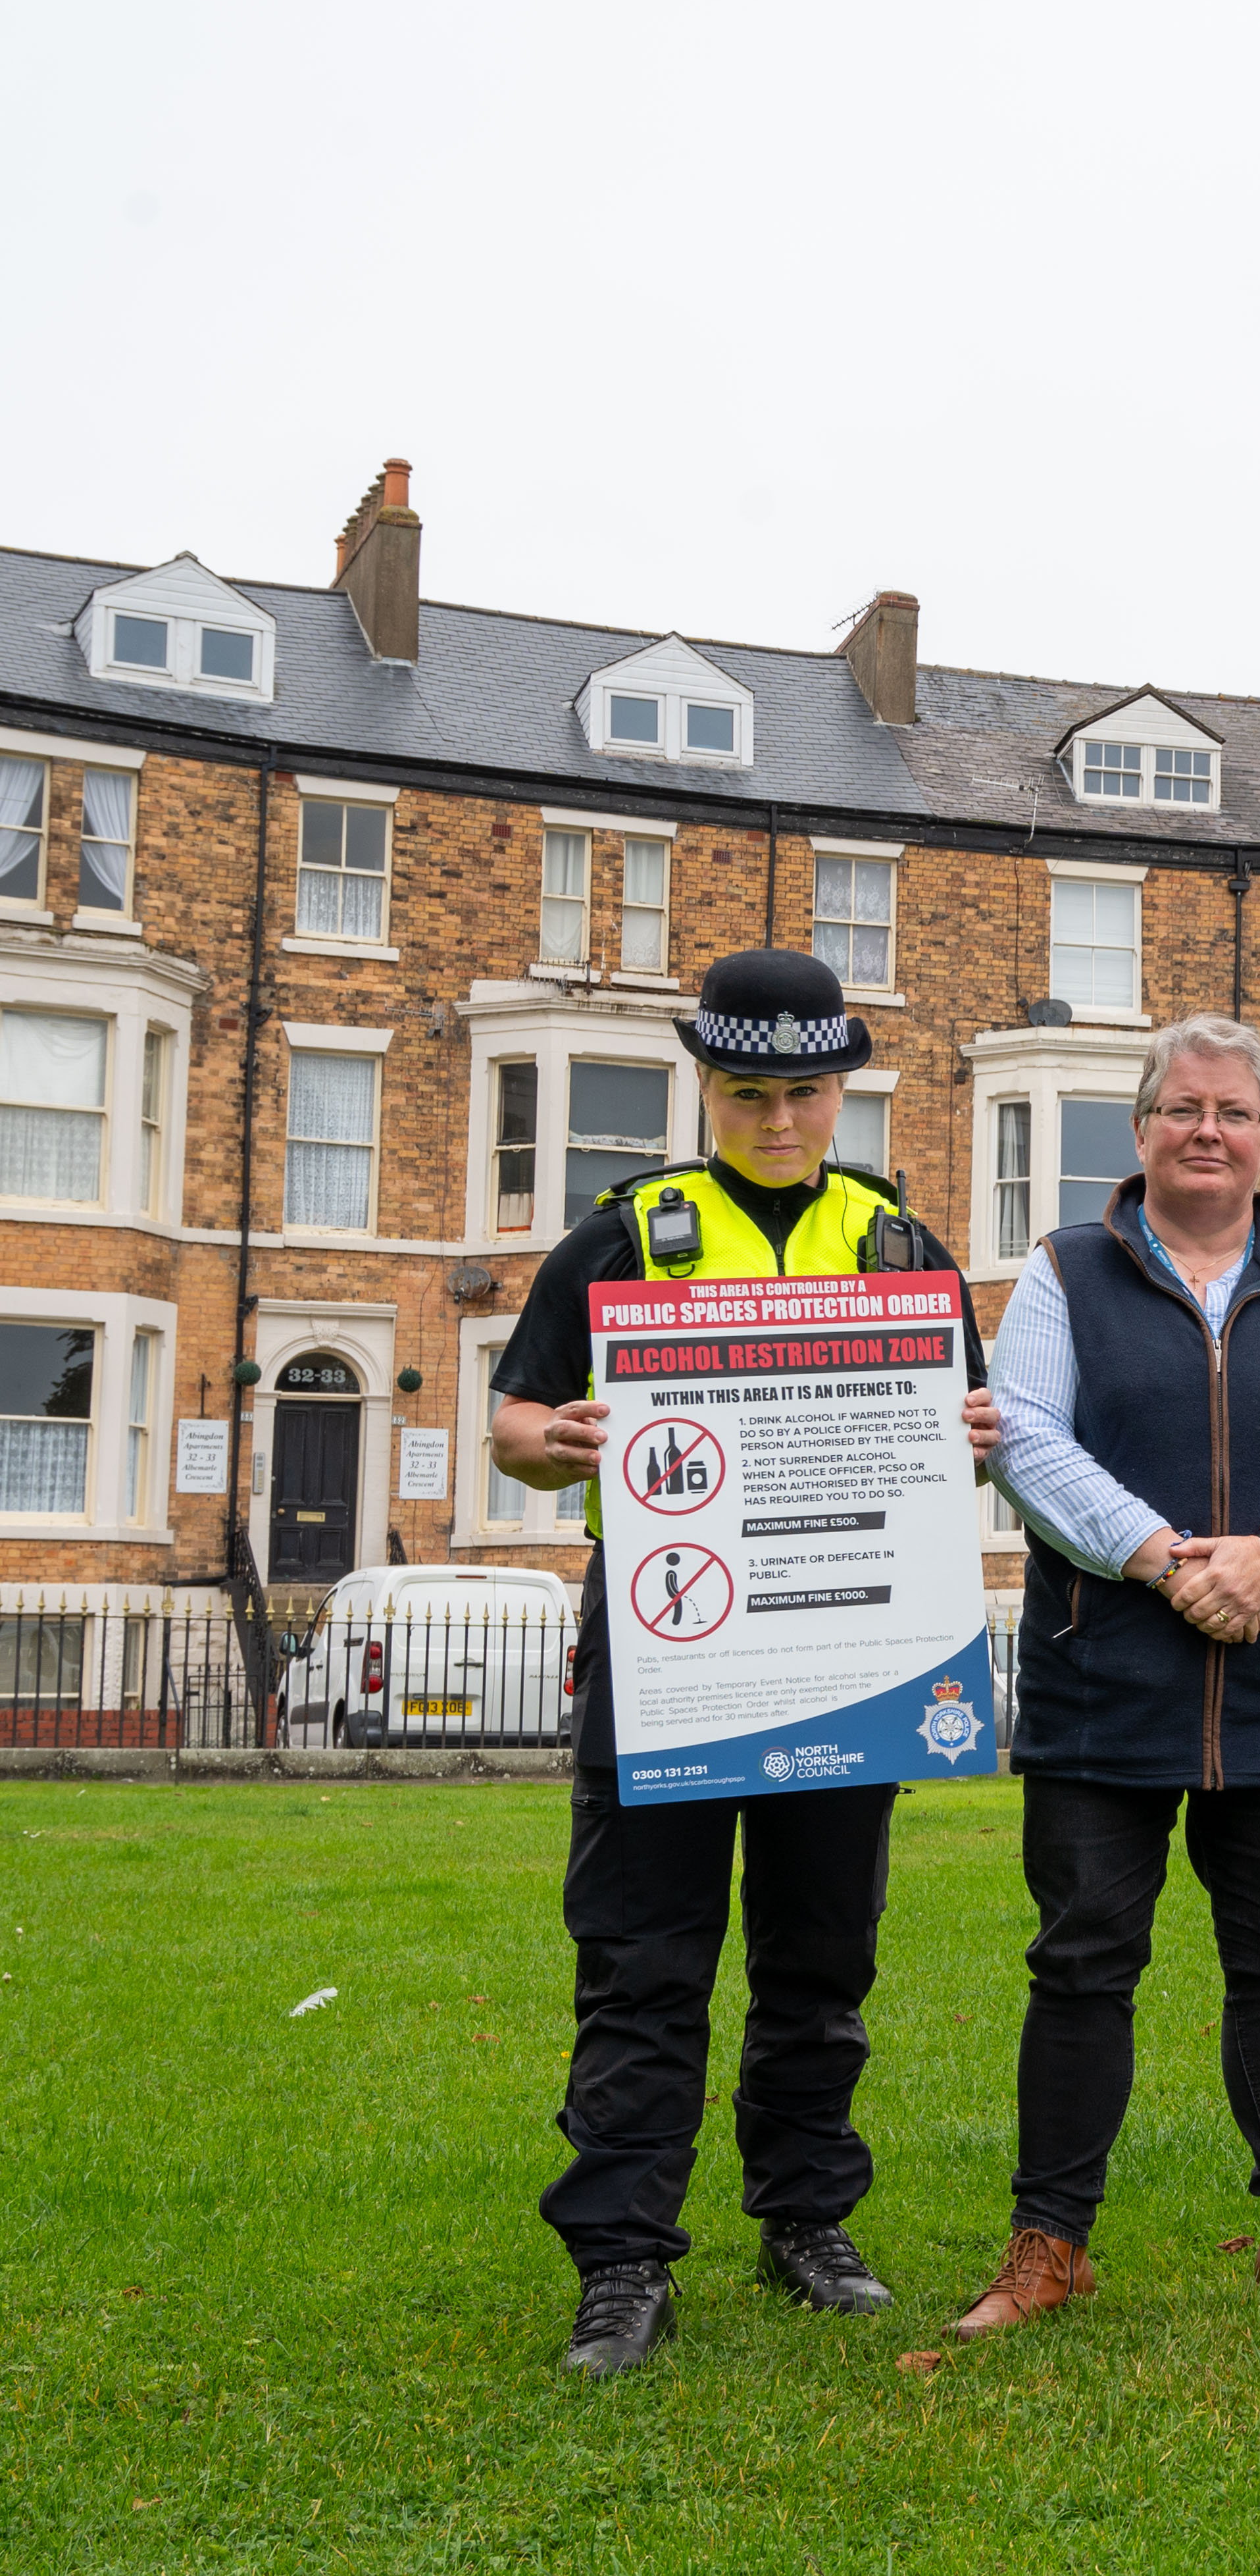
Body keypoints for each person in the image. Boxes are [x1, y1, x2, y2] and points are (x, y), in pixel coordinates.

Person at [488, 948, 997, 2379]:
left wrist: (967, 1431)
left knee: (819, 1957)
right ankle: (624, 2262)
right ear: (709, 1084)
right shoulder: (629, 1235)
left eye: (807, 1093)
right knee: (642, 1960)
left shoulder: (902, 1249)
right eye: (750, 1091)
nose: (780, 1118)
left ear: (845, 1091)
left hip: (846, 1647)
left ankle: (807, 2219)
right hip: (671, 1642)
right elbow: (513, 1422)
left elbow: (958, 1426)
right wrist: (555, 1438)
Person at [947, 1013, 1260, 2337]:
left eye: (1233, 1111)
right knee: (1080, 1964)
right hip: (1105, 1681)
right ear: (1141, 1127)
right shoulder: (1060, 1272)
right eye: (1180, 1107)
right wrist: (1164, 1558)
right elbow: (1024, 1440)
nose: (1206, 1129)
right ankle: (1048, 2246)